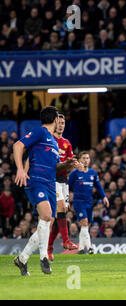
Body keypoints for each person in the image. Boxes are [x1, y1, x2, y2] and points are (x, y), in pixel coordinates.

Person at [13, 106, 77, 276]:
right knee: (47, 216)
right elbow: (18, 145)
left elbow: (56, 167)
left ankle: (22, 259)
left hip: (50, 184)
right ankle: (43, 258)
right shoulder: (40, 132)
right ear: (55, 120)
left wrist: (68, 164)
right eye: (59, 120)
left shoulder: (54, 142)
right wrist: (20, 169)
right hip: (37, 181)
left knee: (47, 221)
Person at [47, 114, 79, 261]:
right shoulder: (49, 140)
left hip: (64, 181)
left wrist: (76, 164)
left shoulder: (66, 143)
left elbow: (71, 161)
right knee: (59, 209)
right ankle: (66, 241)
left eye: (63, 123)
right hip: (53, 179)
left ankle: (49, 247)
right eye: (58, 123)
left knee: (61, 212)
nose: (61, 126)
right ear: (54, 124)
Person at [68, 151, 109, 254]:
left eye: (87, 158)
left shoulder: (93, 173)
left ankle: (81, 248)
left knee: (86, 225)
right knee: (85, 222)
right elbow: (66, 186)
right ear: (79, 160)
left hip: (89, 202)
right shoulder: (74, 173)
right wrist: (66, 199)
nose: (86, 160)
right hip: (78, 202)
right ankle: (90, 247)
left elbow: (98, 186)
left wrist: (104, 197)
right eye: (84, 158)